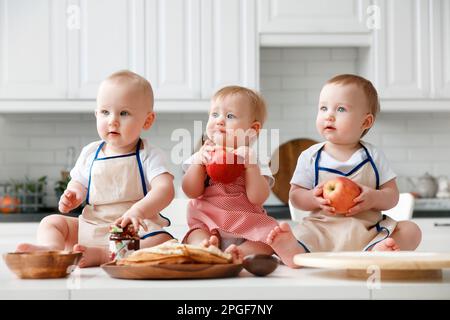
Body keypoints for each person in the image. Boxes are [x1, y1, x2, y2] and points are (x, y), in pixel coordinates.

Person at [16, 70, 175, 267]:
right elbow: (79, 183)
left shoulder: (149, 154)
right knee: (51, 222)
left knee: (163, 242)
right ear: (96, 114)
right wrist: (74, 194)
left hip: (133, 230)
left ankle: (103, 255)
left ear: (147, 120)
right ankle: (52, 249)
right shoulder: (90, 152)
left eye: (124, 113)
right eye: (105, 112)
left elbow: (165, 190)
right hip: (92, 226)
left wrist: (138, 211)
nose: (112, 120)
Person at [267, 74, 422, 267]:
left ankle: (376, 251)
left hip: (366, 231)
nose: (328, 115)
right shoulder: (311, 156)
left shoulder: (373, 155)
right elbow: (295, 197)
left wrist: (373, 198)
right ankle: (294, 253)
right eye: (323, 108)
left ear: (365, 122)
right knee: (302, 233)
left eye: (340, 109)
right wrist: (313, 199)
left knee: (411, 230)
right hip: (321, 229)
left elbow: (392, 196)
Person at [181, 85, 278, 263]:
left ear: (253, 129)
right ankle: (205, 246)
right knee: (195, 233)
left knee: (269, 240)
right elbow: (190, 191)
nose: (219, 121)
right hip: (208, 221)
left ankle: (238, 252)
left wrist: (251, 168)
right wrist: (198, 164)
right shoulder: (204, 155)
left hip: (246, 224)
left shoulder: (255, 159)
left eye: (230, 116)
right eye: (214, 114)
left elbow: (258, 198)